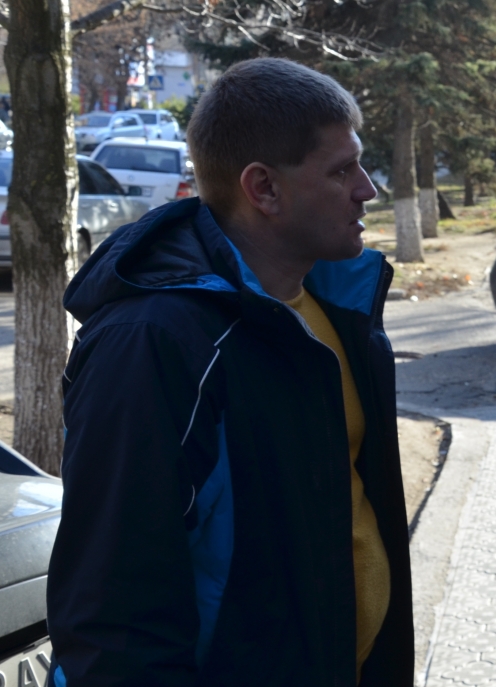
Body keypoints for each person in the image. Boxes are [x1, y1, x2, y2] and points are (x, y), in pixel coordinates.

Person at [49, 58, 412, 685]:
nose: (367, 189)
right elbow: (113, 620)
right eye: (341, 169)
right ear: (263, 188)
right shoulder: (152, 344)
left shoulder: (332, 308)